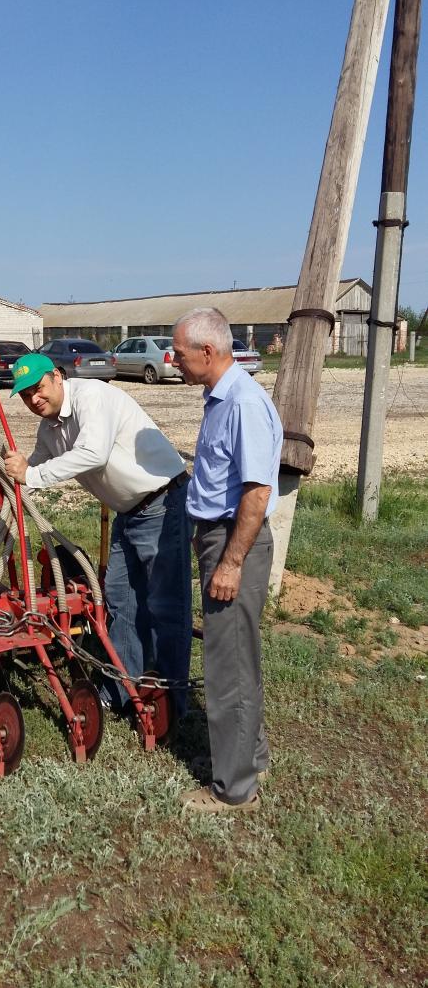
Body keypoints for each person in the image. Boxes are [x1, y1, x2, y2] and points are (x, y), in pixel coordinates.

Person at [0, 352, 192, 716]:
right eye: (25, 395)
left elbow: (92, 454)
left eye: (39, 388)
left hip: (163, 502)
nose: (34, 399)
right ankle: (122, 692)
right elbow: (29, 471)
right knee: (119, 600)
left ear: (57, 376)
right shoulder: (49, 429)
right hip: (129, 514)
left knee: (165, 604)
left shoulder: (92, 398)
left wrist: (30, 475)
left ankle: (172, 703)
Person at [172, 308, 282, 814]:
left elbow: (256, 493)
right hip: (219, 536)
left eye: (179, 353)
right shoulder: (218, 398)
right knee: (237, 657)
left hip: (235, 541)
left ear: (208, 353)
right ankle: (248, 755)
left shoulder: (242, 403)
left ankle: (234, 789)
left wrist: (232, 562)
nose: (174, 361)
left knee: (228, 666)